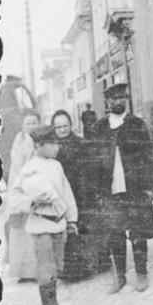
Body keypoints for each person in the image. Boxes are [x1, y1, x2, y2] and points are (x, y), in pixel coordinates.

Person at [7, 125, 78, 305]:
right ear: (39, 145)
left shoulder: (56, 166)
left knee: (56, 268)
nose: (57, 147)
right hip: (41, 226)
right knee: (46, 269)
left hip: (59, 225)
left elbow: (67, 194)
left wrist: (71, 220)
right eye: (52, 144)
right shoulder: (30, 168)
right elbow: (14, 197)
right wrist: (31, 202)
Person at [90, 83, 153, 293]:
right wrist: (98, 191)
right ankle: (119, 276)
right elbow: (93, 160)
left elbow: (147, 157)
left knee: (137, 231)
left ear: (126, 100)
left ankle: (141, 273)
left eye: (121, 98)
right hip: (110, 188)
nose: (117, 102)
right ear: (107, 102)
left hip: (134, 187)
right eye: (113, 99)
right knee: (115, 232)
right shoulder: (100, 128)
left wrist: (148, 187)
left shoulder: (136, 124)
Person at [52, 109, 97, 281]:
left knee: (81, 229)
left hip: (80, 191)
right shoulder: (50, 147)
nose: (62, 130)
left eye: (65, 126)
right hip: (60, 192)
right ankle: (67, 270)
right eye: (58, 127)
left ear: (70, 126)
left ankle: (85, 266)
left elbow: (88, 169)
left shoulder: (80, 143)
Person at [7, 109, 41, 281]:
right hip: (22, 185)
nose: (32, 126)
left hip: (37, 187)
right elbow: (16, 167)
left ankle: (35, 270)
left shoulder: (41, 140)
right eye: (28, 123)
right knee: (21, 231)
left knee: (36, 230)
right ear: (22, 125)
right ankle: (22, 271)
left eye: (35, 122)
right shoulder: (19, 142)